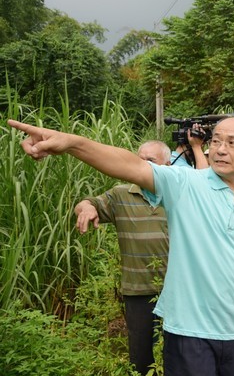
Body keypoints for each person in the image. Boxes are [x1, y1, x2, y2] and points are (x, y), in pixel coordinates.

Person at [8, 115, 234, 376]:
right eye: (215, 141)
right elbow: (130, 165)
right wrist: (73, 143)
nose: (220, 150)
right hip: (189, 332)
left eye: (231, 143)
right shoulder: (185, 184)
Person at [74, 140, 172, 375]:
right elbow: (89, 202)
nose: (143, 165)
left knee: (176, 354)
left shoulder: (179, 196)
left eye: (151, 161)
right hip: (137, 291)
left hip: (176, 291)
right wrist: (86, 209)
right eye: (140, 159)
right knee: (141, 357)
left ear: (168, 165)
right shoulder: (121, 195)